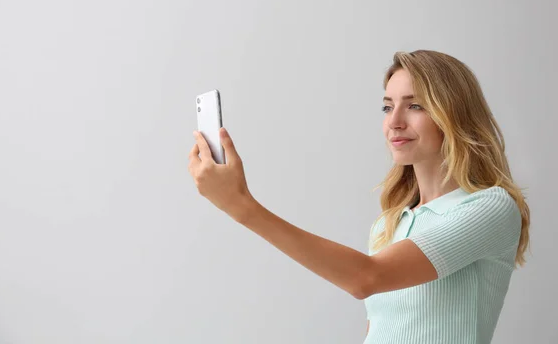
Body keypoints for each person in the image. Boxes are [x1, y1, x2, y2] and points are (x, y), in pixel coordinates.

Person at [187, 49, 531, 344]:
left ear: (453, 114)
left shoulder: (491, 208)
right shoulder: (389, 223)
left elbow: (365, 278)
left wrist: (241, 206)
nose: (394, 121)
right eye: (387, 107)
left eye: (414, 106)